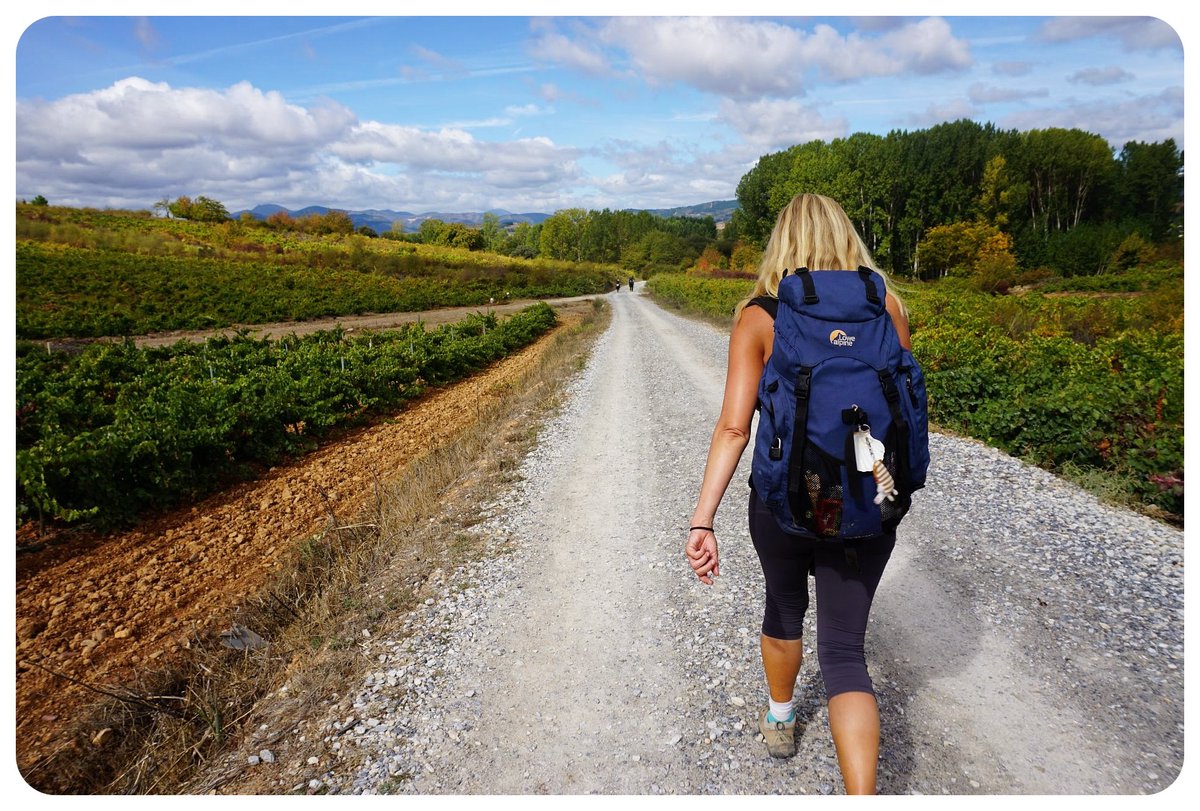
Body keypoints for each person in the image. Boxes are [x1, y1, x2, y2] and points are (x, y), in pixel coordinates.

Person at [684, 193, 911, 795]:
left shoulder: (760, 316)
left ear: (780, 243)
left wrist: (702, 520)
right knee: (844, 652)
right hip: (867, 502)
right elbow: (902, 414)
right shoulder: (885, 306)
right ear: (847, 237)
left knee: (784, 608)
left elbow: (735, 427)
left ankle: (781, 717)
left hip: (785, 500)